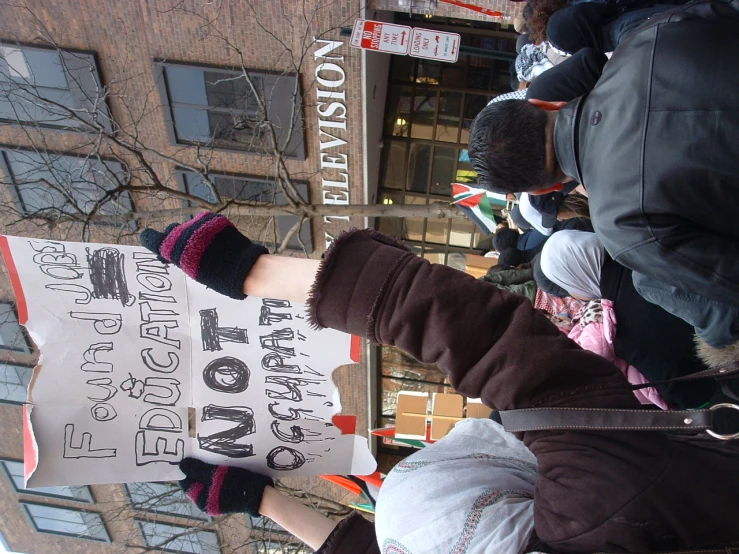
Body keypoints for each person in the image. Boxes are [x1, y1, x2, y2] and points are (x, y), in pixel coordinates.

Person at [140, 214, 739, 553]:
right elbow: (489, 342)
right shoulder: (592, 502)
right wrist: (254, 273)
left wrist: (261, 501)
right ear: (489, 479)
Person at [467, 0, 739, 366]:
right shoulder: (643, 39)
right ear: (544, 105)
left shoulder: (621, 226)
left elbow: (727, 284)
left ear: (542, 190)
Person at [536, 230, 722, 408]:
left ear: (574, 278)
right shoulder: (644, 246)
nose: (572, 293)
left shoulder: (622, 329)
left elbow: (685, 391)